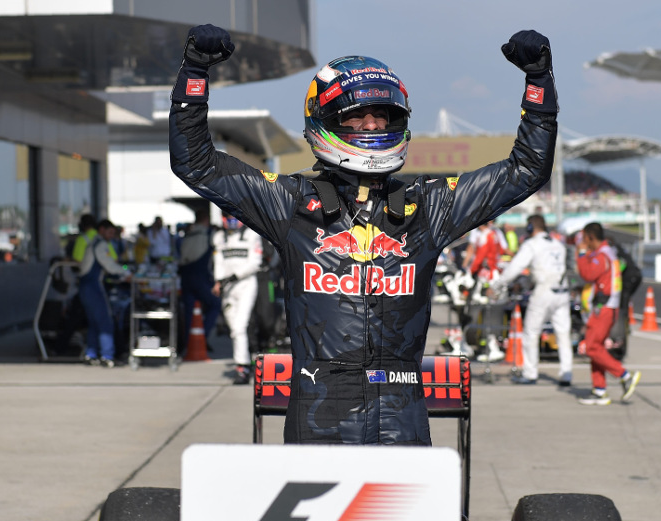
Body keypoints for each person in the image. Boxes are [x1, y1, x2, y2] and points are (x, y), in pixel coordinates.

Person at [169, 25, 558, 444]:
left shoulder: (429, 206)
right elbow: (198, 164)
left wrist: (538, 87)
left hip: (402, 416)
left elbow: (525, 171)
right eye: (357, 114)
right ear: (325, 121)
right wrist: (195, 75)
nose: (372, 124)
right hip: (319, 416)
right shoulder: (289, 202)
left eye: (383, 114)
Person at [491, 214, 573, 386]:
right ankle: (566, 374)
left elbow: (515, 267)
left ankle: (530, 373)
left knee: (531, 333)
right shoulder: (558, 244)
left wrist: (497, 284)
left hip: (543, 292)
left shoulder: (532, 244)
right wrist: (525, 283)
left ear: (530, 228)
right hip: (562, 291)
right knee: (563, 334)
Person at [575, 222, 641, 405]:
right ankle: (599, 390)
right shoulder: (607, 253)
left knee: (591, 347)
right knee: (596, 348)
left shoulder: (602, 255)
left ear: (590, 237)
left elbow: (588, 274)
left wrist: (581, 254)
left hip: (603, 309)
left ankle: (625, 375)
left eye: (583, 238)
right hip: (606, 307)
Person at [212, 213, 263, 385]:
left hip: (246, 286)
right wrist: (219, 281)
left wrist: (233, 277)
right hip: (228, 289)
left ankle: (242, 367)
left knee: (239, 328)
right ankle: (245, 361)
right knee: (234, 329)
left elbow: (255, 263)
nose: (231, 220)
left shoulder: (252, 234)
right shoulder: (219, 237)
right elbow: (218, 262)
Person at [78, 219, 131, 367]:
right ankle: (107, 356)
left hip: (85, 286)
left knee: (94, 322)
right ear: (101, 230)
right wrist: (126, 274)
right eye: (110, 232)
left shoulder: (93, 243)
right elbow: (109, 264)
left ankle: (91, 354)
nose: (111, 236)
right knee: (105, 321)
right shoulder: (100, 245)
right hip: (92, 286)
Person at [178, 209, 222, 355]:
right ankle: (202, 336)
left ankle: (186, 344)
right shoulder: (209, 235)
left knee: (188, 314)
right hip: (201, 277)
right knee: (215, 304)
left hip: (185, 277)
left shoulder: (187, 235)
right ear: (206, 220)